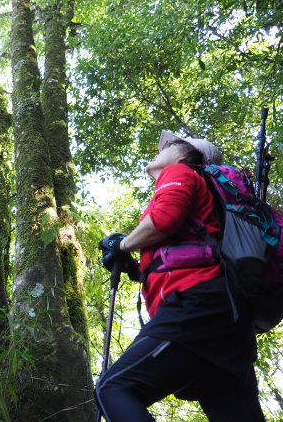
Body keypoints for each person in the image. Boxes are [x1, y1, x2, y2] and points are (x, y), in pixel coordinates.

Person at [95, 131, 265, 422]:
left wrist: (120, 244)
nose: (161, 148)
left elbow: (164, 220)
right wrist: (137, 270)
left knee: (114, 388)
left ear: (186, 155)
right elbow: (189, 251)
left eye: (170, 145)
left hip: (198, 306)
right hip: (228, 318)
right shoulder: (206, 196)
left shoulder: (181, 172)